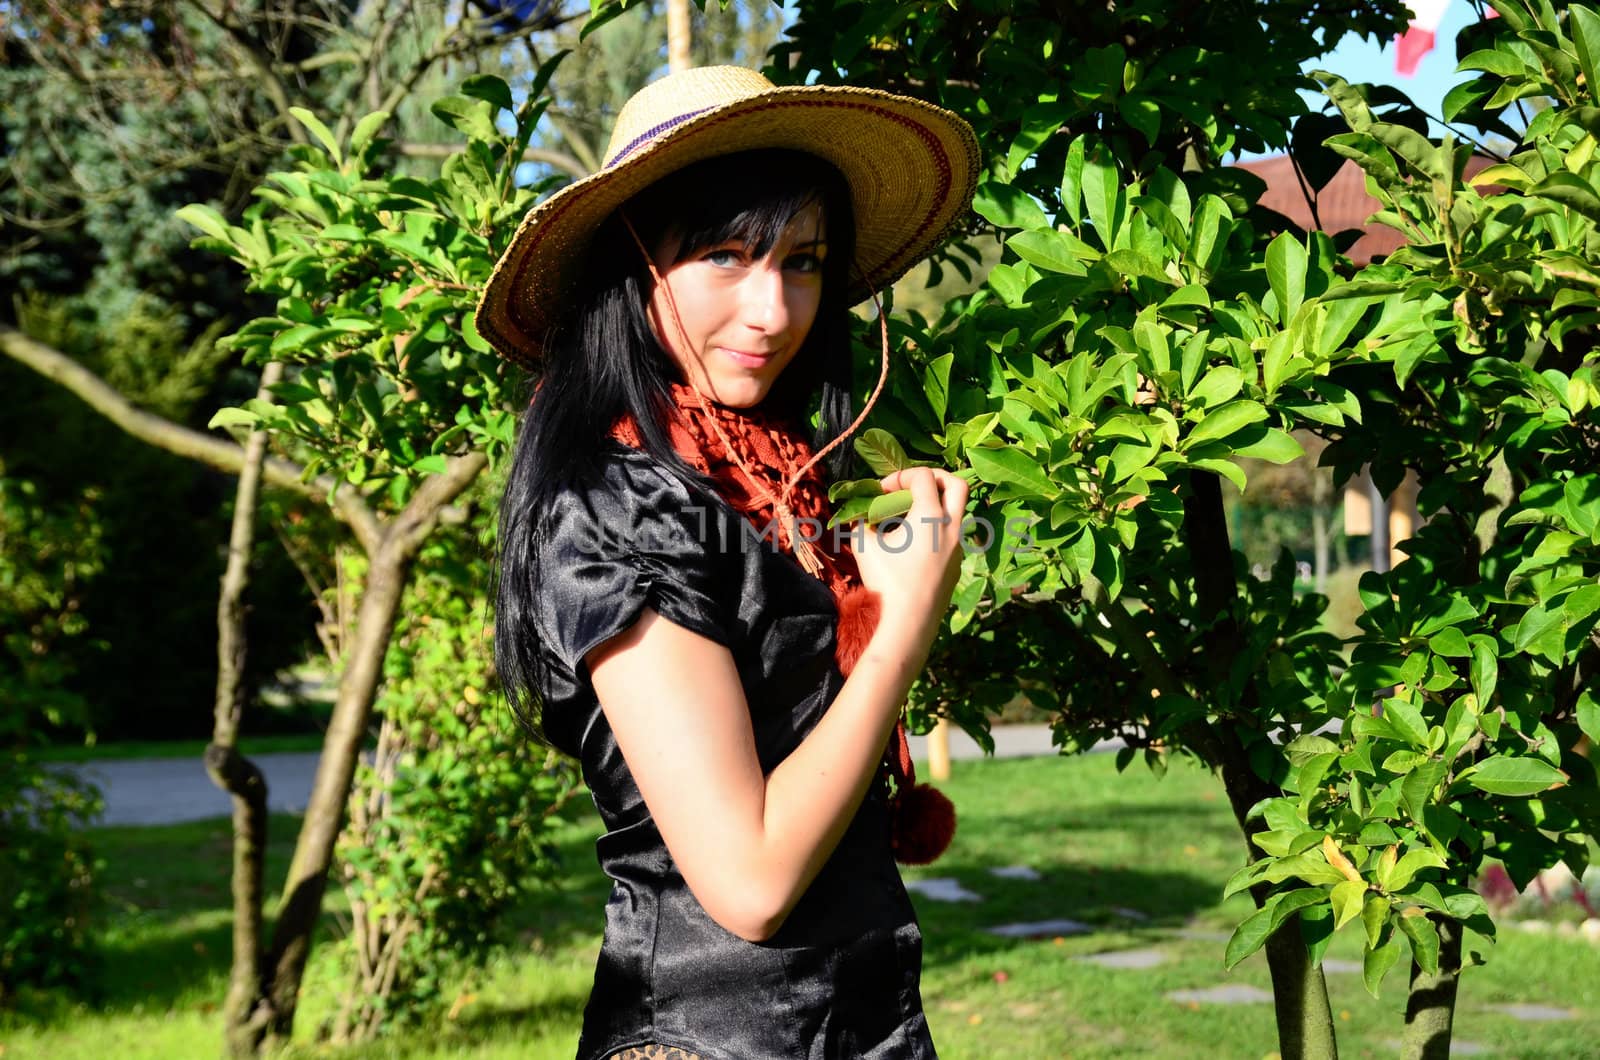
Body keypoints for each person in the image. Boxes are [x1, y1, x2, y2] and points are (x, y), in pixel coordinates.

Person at [477, 65, 979, 1060]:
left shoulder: (772, 481)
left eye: (803, 261)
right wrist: (901, 632)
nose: (771, 310)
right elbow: (747, 882)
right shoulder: (616, 508)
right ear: (632, 268)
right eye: (723, 255)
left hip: (858, 1022)